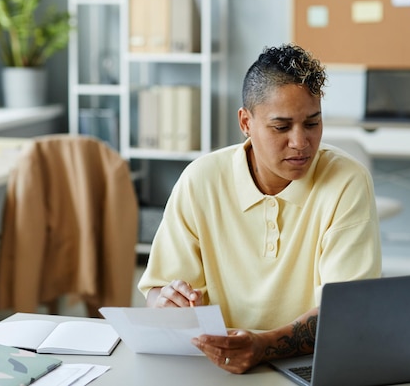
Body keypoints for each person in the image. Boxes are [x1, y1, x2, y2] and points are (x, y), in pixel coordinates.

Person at [137, 43, 382, 374]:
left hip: (309, 366)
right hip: (216, 367)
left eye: (312, 123)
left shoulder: (346, 181)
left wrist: (262, 346)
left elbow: (347, 313)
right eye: (281, 127)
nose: (300, 142)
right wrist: (166, 301)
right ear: (245, 122)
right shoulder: (201, 180)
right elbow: (157, 290)